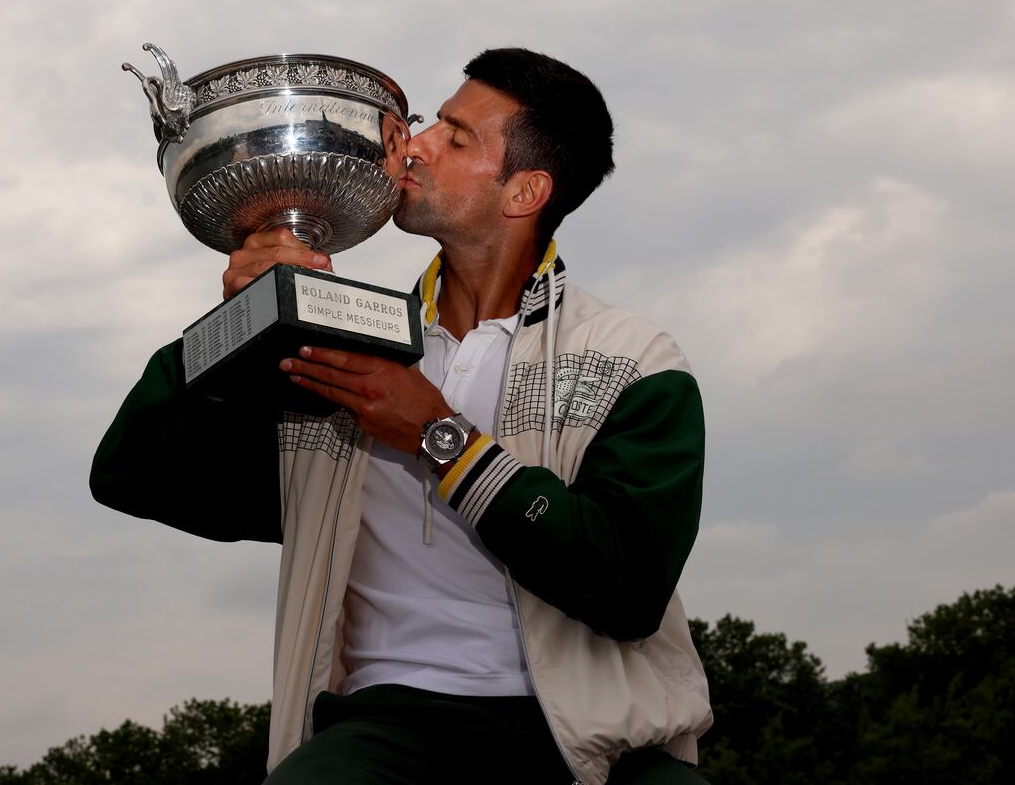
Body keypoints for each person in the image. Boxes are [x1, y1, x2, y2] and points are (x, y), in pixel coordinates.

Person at [91, 48, 712, 784]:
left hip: (603, 743)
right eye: (430, 124)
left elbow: (627, 588)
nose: (410, 145)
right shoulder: (343, 353)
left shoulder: (633, 361)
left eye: (454, 138)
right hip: (392, 728)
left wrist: (438, 437)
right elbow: (133, 476)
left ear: (524, 191)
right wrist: (243, 319)